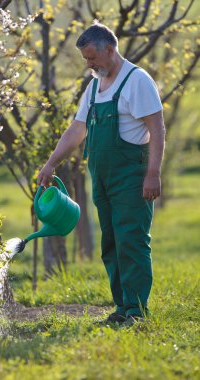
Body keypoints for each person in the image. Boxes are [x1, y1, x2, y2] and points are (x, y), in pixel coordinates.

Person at [37, 21, 165, 327]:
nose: (89, 64)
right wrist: (51, 164)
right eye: (85, 59)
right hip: (103, 177)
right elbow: (77, 129)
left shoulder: (137, 80)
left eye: (92, 58)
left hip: (132, 175)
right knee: (111, 242)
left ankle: (136, 312)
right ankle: (121, 307)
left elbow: (157, 128)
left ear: (110, 49)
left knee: (131, 240)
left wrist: (153, 174)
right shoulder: (94, 85)